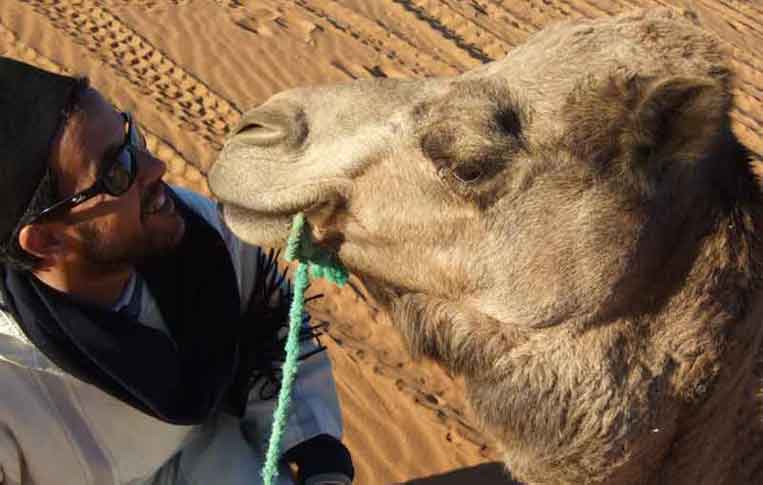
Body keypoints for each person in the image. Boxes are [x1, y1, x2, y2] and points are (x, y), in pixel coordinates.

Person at [0, 57, 353, 485]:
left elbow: (273, 328)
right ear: (46, 241)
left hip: (217, 459)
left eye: (131, 138)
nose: (155, 169)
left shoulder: (199, 238)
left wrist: (313, 446)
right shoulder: (11, 382)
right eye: (116, 173)